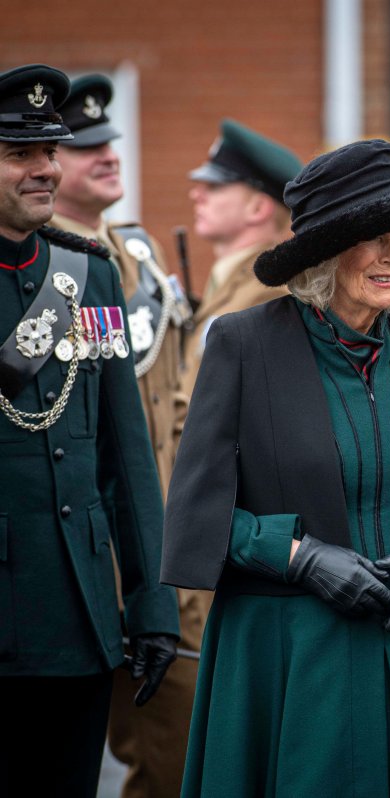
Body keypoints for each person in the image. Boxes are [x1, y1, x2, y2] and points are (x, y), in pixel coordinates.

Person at [161, 139, 390, 797]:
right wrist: (300, 556)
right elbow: (197, 514)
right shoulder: (243, 345)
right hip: (289, 651)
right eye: (372, 238)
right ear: (324, 252)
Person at [0, 64, 179, 797]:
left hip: (78, 620)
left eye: (50, 151)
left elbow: (125, 454)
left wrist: (151, 601)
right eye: (20, 154)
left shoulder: (87, 273)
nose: (45, 169)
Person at [49, 71, 192, 798]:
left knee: (168, 746)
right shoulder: (47, 267)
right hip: (74, 541)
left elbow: (165, 409)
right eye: (84, 145)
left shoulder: (132, 261)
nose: (108, 153)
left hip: (154, 532)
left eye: (110, 140)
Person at [181, 118, 302, 399]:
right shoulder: (230, 285)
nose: (196, 195)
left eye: (214, 187)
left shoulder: (269, 296)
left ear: (258, 207)